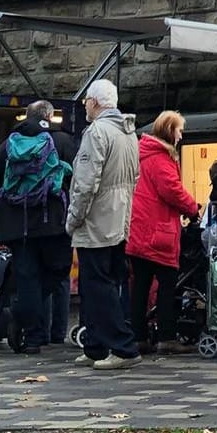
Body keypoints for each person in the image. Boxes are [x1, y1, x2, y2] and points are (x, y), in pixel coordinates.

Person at [67, 79, 141, 370]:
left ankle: (122, 347)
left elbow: (85, 183)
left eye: (87, 99)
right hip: (119, 216)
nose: (85, 104)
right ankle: (96, 345)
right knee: (105, 281)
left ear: (95, 102)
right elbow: (134, 176)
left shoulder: (97, 131)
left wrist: (74, 218)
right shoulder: (127, 132)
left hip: (96, 219)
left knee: (97, 285)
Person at [0, 101, 75, 354]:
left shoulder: (7, 145)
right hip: (51, 221)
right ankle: (22, 314)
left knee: (27, 277)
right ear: (50, 117)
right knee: (58, 272)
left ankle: (33, 337)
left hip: (17, 225)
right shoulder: (62, 141)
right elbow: (74, 179)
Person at [127, 110, 200, 355]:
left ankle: (139, 336)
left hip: (139, 229)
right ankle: (166, 336)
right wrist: (193, 208)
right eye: (179, 130)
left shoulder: (142, 153)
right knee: (169, 284)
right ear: (170, 131)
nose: (181, 135)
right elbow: (172, 190)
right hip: (158, 231)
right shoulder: (161, 158)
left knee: (140, 285)